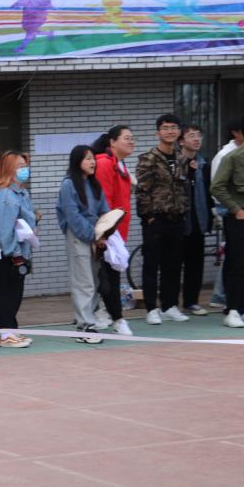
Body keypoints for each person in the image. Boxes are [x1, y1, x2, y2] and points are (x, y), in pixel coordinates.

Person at [136, 113, 190, 325]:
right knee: (152, 264)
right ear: (157, 132)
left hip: (177, 218)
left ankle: (170, 305)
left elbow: (183, 188)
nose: (170, 131)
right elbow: (142, 191)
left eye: (174, 127)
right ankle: (151, 308)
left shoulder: (182, 159)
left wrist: (184, 212)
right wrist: (148, 217)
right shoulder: (148, 158)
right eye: (165, 128)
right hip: (155, 219)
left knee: (173, 264)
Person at [57, 145, 113, 342]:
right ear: (77, 161)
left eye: (93, 158)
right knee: (84, 283)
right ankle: (84, 326)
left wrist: (104, 233)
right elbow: (72, 216)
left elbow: (104, 211)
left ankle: (88, 320)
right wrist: (93, 235)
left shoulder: (94, 183)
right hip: (79, 237)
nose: (92, 162)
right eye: (87, 158)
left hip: (95, 237)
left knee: (94, 282)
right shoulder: (68, 185)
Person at [211, 111, 244, 329]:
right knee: (240, 264)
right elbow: (217, 187)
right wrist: (235, 208)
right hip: (240, 219)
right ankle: (231, 310)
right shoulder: (233, 157)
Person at [0, 151, 37, 349]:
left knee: (14, 293)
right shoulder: (5, 194)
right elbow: (5, 229)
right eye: (20, 166)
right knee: (6, 294)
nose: (24, 169)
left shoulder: (21, 192)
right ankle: (6, 333)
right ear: (9, 169)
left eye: (25, 165)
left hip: (16, 252)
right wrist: (16, 254)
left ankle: (11, 330)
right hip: (3, 253)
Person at [92, 125, 135, 334]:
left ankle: (103, 314)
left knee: (109, 276)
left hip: (117, 231)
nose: (131, 141)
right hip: (108, 232)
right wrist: (105, 235)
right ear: (112, 142)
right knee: (108, 278)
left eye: (132, 138)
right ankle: (117, 319)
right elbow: (104, 203)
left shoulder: (120, 164)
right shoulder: (104, 164)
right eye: (126, 138)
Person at [209, 116, 244, 309]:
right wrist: (231, 208)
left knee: (241, 254)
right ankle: (222, 296)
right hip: (230, 209)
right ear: (236, 132)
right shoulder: (225, 155)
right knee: (235, 254)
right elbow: (217, 187)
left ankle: (229, 297)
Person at [177, 125, 212, 316]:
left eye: (199, 135)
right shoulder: (175, 163)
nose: (197, 139)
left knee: (196, 265)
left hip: (198, 221)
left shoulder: (204, 164)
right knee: (174, 265)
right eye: (191, 136)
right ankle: (170, 303)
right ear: (181, 141)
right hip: (179, 221)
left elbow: (208, 192)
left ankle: (191, 302)